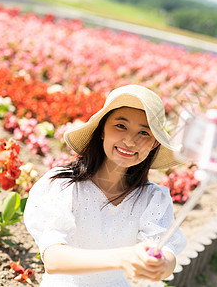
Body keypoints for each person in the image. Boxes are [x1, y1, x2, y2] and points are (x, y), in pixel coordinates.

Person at [24, 85, 187, 286]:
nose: (130, 140)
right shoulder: (63, 185)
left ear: (154, 144)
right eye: (121, 126)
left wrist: (161, 264)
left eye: (144, 133)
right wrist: (123, 257)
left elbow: (167, 251)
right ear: (102, 130)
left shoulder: (151, 198)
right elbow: (53, 259)